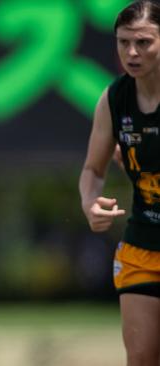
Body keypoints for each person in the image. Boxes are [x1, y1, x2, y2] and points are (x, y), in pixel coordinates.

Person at [79, 1, 160, 365]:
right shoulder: (114, 99)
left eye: (144, 42)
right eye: (124, 42)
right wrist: (89, 201)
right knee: (141, 357)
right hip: (143, 242)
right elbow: (92, 171)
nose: (132, 52)